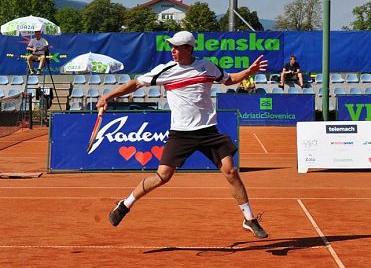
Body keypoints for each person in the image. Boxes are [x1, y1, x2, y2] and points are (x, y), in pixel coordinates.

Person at [97, 31, 269, 239]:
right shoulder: (165, 70)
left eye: (177, 47)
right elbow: (135, 84)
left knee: (231, 171)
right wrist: (108, 95)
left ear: (189, 48)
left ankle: (249, 219)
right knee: (162, 176)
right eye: (172, 47)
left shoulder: (207, 66)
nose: (173, 50)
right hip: (181, 134)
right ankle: (125, 205)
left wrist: (248, 72)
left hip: (208, 131)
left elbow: (229, 79)